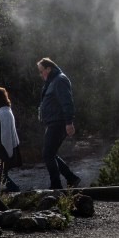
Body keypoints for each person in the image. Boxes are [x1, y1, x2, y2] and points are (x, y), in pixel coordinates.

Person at [36, 58, 81, 189]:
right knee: (50, 154)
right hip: (52, 122)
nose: (40, 74)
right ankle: (72, 178)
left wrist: (69, 122)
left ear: (48, 69)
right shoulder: (52, 81)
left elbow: (67, 102)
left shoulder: (60, 80)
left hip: (58, 122)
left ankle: (56, 186)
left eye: (41, 71)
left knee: (48, 154)